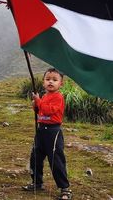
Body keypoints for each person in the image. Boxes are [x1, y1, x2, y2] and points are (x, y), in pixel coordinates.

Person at [22, 68, 72, 200]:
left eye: (55, 80)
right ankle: (37, 183)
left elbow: (49, 111)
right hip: (41, 131)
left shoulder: (58, 97)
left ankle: (65, 189)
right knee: (36, 158)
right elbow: (40, 112)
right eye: (48, 79)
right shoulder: (44, 96)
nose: (51, 82)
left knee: (56, 160)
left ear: (61, 84)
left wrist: (38, 102)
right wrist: (35, 105)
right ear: (43, 82)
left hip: (53, 132)